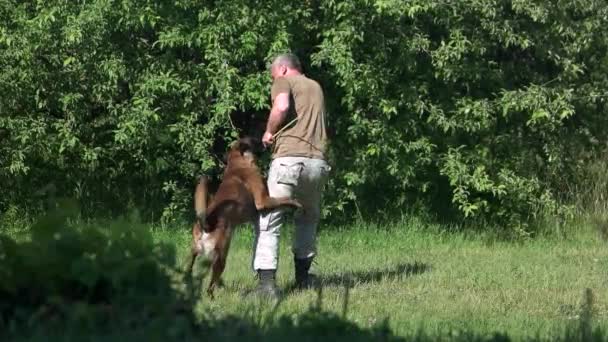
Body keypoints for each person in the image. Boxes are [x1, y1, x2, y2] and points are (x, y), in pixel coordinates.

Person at [252, 53, 330, 298]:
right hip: (317, 163)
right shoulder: (315, 86)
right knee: (307, 218)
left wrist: (268, 131)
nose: (273, 80)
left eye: (273, 75)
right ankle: (304, 279)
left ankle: (266, 287)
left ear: (283, 69)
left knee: (270, 220)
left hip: (288, 160)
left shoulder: (284, 81)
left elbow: (282, 106)